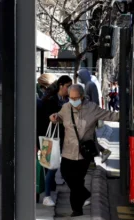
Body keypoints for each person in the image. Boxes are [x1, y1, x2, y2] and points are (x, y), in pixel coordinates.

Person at [49, 84, 119, 217]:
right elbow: (59, 117)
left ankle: (77, 209)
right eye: (71, 97)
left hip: (84, 153)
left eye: (76, 97)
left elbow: (110, 115)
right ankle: (85, 194)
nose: (73, 100)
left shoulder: (92, 108)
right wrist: (53, 118)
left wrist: (130, 115)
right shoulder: (66, 107)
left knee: (78, 180)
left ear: (82, 96)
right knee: (66, 175)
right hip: (68, 151)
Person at [39, 75, 73, 207]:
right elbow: (48, 118)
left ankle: (77, 194)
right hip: (51, 138)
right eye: (67, 86)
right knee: (51, 167)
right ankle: (47, 196)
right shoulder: (50, 100)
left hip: (66, 138)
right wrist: (55, 117)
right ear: (61, 86)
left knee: (67, 167)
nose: (69, 89)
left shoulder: (69, 100)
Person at [78, 68, 112, 162]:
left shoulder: (90, 85)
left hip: (90, 116)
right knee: (91, 139)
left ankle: (97, 156)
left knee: (89, 139)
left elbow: (95, 101)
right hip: (87, 116)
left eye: (80, 76)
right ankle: (98, 156)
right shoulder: (87, 85)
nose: (79, 79)